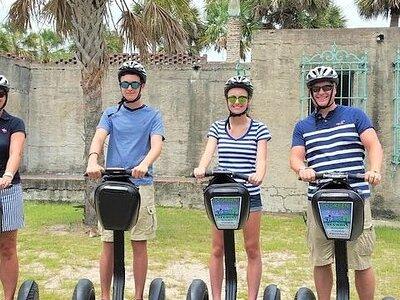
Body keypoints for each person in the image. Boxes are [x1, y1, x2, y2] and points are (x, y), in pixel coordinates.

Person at [290, 66, 383, 300]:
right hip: (319, 200)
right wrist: (303, 169)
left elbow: (373, 145)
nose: (321, 92)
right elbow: (296, 157)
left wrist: (374, 170)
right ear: (310, 93)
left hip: (355, 197)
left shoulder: (355, 115)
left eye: (326, 87)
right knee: (321, 259)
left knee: (360, 260)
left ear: (334, 89)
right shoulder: (303, 126)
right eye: (316, 88)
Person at [85, 61, 165, 300]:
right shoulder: (111, 113)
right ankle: (106, 296)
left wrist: (144, 164)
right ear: (120, 86)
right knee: (108, 243)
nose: (129, 88)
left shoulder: (153, 115)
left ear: (142, 86)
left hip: (140, 185)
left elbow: (156, 145)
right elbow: (99, 138)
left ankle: (139, 295)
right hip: (113, 186)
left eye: (133, 84)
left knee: (139, 243)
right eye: (124, 84)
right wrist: (92, 161)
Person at [194, 75, 271, 300]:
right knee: (218, 249)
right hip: (223, 196)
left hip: (249, 196)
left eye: (242, 98)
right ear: (227, 100)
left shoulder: (259, 129)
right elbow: (208, 152)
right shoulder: (218, 127)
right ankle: (217, 297)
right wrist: (201, 167)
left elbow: (262, 160)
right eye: (232, 98)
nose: (237, 102)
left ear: (248, 100)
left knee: (252, 248)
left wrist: (258, 175)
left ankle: (252, 297)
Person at [0, 75, 26, 300]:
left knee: (7, 247)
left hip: (7, 190)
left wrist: (8, 174)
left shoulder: (14, 123)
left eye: (1, 93)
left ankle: (8, 297)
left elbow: (15, 153)